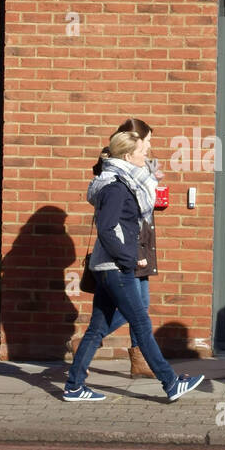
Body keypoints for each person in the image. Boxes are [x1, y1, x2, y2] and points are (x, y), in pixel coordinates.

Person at [65, 127, 204, 403]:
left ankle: (74, 386)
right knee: (141, 323)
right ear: (128, 155)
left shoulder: (114, 181)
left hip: (106, 267)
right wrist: (129, 258)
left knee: (97, 328)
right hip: (116, 269)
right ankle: (171, 382)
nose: (146, 154)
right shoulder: (117, 186)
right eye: (142, 151)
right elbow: (107, 229)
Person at [88, 117, 161, 378]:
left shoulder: (140, 169)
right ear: (134, 140)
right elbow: (114, 221)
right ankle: (93, 341)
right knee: (138, 308)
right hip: (132, 242)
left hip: (140, 238)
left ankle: (136, 358)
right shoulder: (120, 173)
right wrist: (132, 254)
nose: (150, 146)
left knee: (140, 305)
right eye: (148, 140)